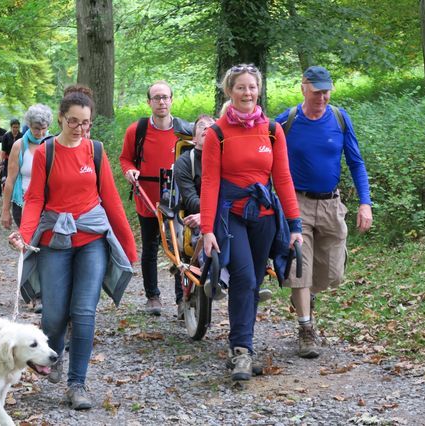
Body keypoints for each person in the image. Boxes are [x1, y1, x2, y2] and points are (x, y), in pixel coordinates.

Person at [11, 88, 137, 410]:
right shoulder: (45, 152)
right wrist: (25, 236)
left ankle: (77, 384)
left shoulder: (95, 151)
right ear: (60, 118)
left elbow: (110, 198)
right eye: (74, 122)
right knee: (53, 316)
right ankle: (55, 354)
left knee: (83, 312)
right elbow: (35, 198)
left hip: (92, 239)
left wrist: (127, 244)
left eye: (86, 123)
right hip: (55, 239)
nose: (80, 129)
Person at [200, 64, 303, 381]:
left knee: (254, 282)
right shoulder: (217, 133)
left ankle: (242, 345)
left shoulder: (272, 130)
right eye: (240, 87)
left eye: (252, 87)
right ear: (229, 91)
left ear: (259, 90)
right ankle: (241, 350)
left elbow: (283, 179)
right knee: (243, 277)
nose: (247, 92)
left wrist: (295, 226)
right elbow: (209, 183)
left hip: (265, 216)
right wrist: (206, 230)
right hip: (230, 216)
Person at [275, 65, 373, 359]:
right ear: (303, 86)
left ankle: (307, 295)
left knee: (333, 273)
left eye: (327, 90)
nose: (322, 96)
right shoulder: (286, 122)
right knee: (299, 270)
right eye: (317, 90)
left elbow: (356, 162)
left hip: (332, 204)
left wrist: (365, 203)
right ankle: (306, 329)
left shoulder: (340, 120)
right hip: (296, 203)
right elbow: (263, 155)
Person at [119, 80, 187, 316]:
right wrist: (130, 172)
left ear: (172, 100)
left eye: (165, 97)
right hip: (147, 198)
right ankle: (153, 296)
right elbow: (125, 159)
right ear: (149, 102)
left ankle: (183, 298)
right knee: (150, 246)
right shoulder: (136, 130)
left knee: (180, 246)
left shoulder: (183, 130)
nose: (161, 101)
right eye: (156, 97)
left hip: (177, 199)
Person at [0, 106, 52, 230]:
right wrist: (5, 210)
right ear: (29, 125)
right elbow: (10, 180)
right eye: (36, 129)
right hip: (23, 204)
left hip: (49, 205)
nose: (40, 133)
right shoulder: (19, 146)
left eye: (43, 128)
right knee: (28, 245)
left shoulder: (53, 144)